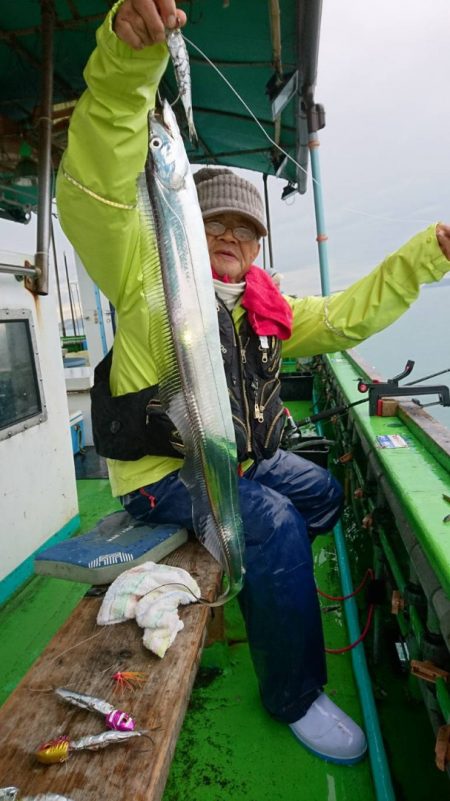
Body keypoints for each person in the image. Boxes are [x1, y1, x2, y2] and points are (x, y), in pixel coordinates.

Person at [56, 0, 450, 766]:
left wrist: (425, 255)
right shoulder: (147, 278)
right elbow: (96, 190)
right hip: (166, 474)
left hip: (240, 456)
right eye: (215, 226)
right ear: (182, 225)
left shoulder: (266, 309)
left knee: (326, 493)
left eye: (245, 231)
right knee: (269, 519)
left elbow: (342, 319)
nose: (231, 238)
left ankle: (275, 580)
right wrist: (128, 67)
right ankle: (294, 692)